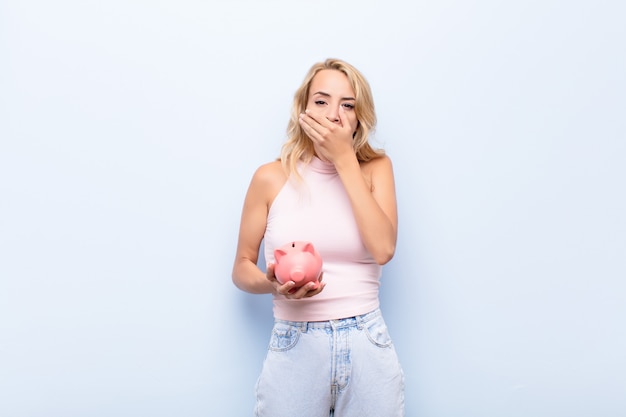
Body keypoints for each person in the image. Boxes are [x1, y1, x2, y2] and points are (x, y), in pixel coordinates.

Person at [232, 58, 404, 417]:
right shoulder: (270, 177)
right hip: (295, 341)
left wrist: (344, 160)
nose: (333, 114)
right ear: (303, 110)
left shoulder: (376, 169)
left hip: (366, 339)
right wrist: (273, 285)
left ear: (359, 118)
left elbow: (384, 248)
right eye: (321, 101)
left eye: (347, 105)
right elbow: (242, 268)